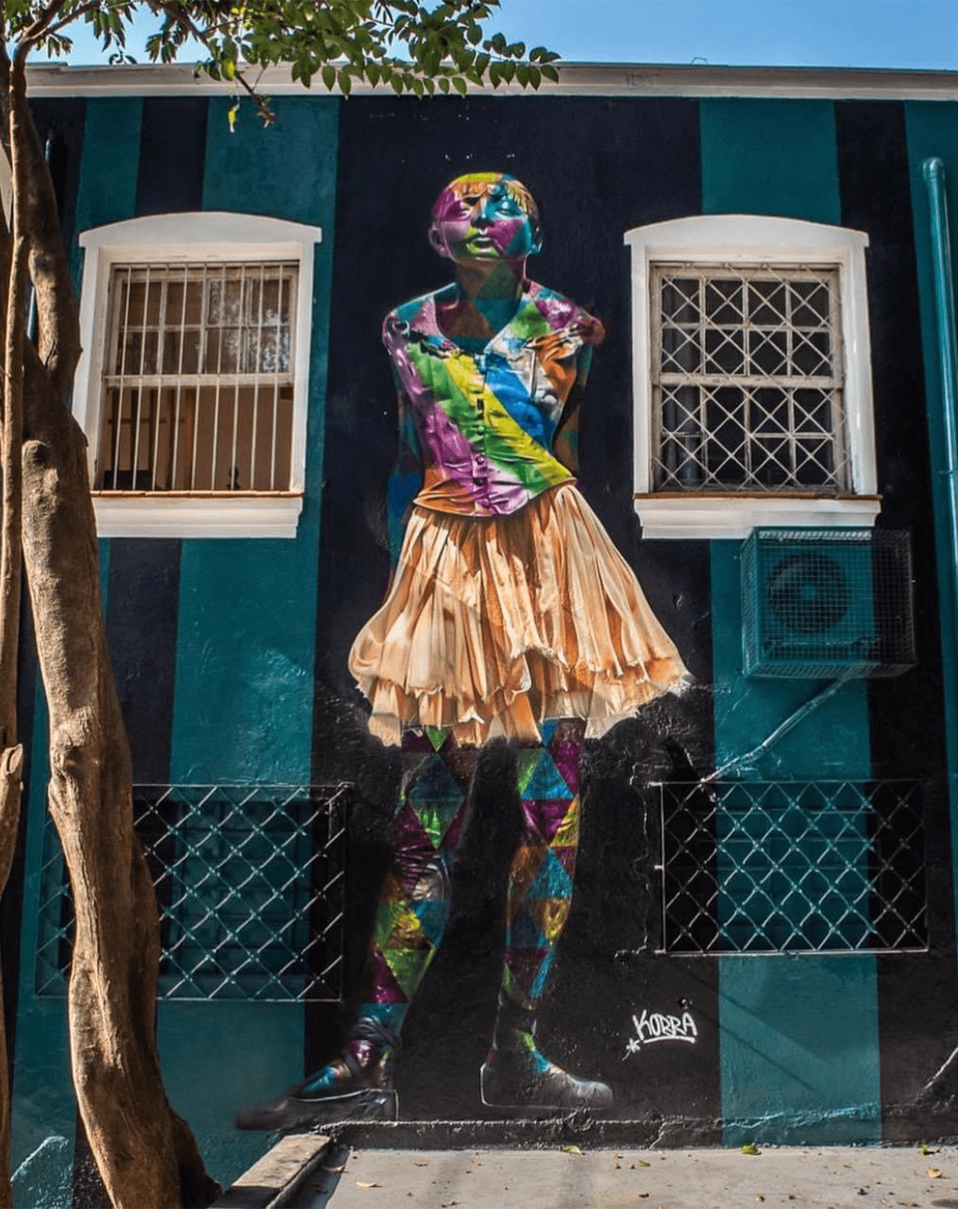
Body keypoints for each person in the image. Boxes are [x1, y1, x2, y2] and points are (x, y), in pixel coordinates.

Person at [237, 172, 689, 1131]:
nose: (480, 216)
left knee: (552, 811)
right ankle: (367, 1057)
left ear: (535, 225)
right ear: (437, 232)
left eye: (501, 203)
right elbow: (413, 451)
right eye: (464, 205)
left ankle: (514, 1052)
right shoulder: (406, 329)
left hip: (549, 557)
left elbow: (553, 440)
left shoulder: (571, 327)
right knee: (425, 821)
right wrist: (418, 576)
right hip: (446, 557)